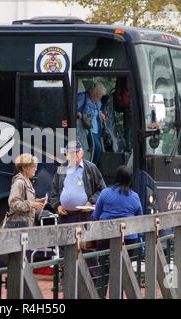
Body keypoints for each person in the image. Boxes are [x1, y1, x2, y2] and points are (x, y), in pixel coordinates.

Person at [91, 165, 143, 297]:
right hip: (128, 238)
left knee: (103, 269)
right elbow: (140, 218)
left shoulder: (105, 193)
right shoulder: (135, 197)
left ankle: (100, 295)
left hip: (105, 236)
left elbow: (96, 216)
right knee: (124, 268)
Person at [50, 141, 106, 223]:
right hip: (65, 217)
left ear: (82, 153)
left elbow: (102, 189)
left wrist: (91, 202)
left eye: (76, 152)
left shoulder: (91, 168)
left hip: (85, 216)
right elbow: (54, 192)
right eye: (70, 152)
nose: (73, 155)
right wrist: (57, 206)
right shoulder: (61, 169)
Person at [5, 153, 46, 228]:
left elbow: (25, 200)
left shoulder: (27, 181)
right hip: (18, 225)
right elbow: (13, 203)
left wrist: (37, 202)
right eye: (33, 166)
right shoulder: (19, 182)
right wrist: (32, 204)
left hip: (26, 224)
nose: (36, 169)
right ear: (24, 167)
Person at [76, 83, 107, 163]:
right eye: (98, 96)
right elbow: (73, 108)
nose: (99, 98)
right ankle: (91, 168)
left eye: (100, 97)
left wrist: (100, 113)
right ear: (94, 93)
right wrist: (78, 113)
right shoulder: (83, 97)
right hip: (87, 129)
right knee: (97, 148)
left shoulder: (97, 101)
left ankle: (92, 168)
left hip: (97, 130)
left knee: (97, 151)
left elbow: (97, 109)